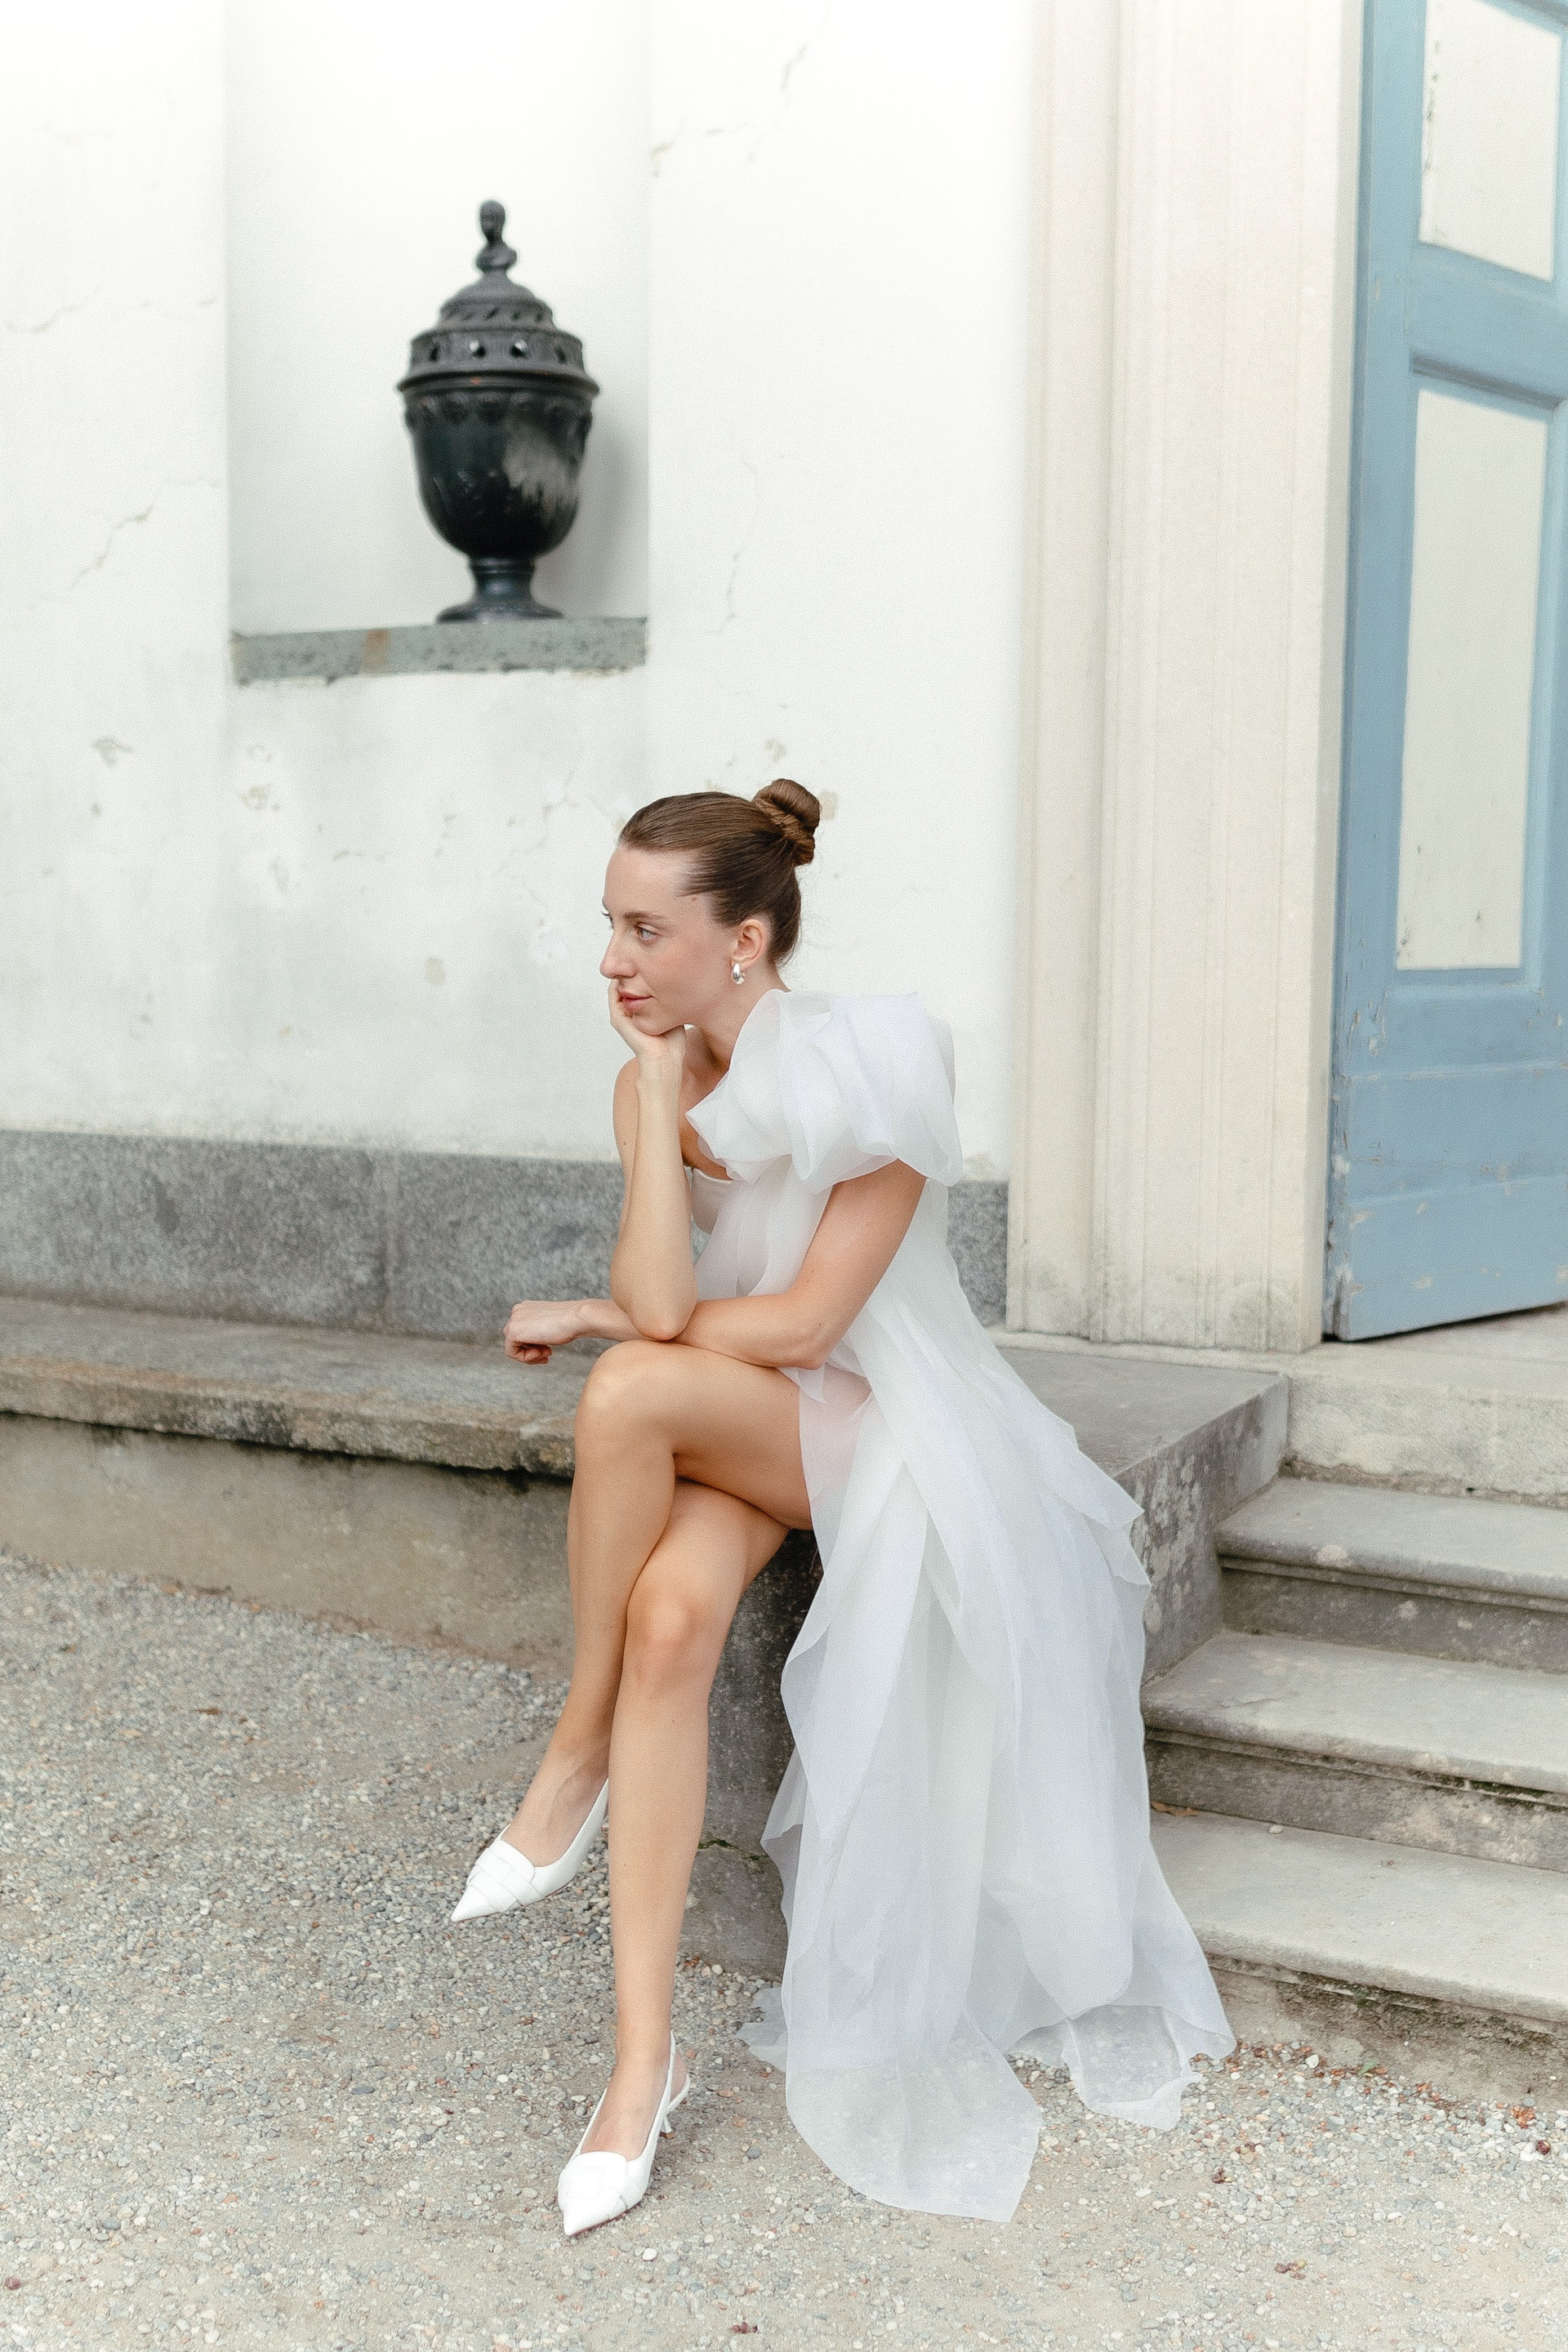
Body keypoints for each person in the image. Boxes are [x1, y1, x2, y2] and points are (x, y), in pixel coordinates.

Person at [452, 780, 1233, 2233]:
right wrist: (651, 1102)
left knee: (626, 1390)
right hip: (748, 1422)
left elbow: (808, 1323)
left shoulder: (877, 1058)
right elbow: (667, 1295)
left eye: (646, 931)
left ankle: (574, 1748)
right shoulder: (649, 1083)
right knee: (671, 1620)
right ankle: (641, 2069)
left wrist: (608, 1324)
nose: (614, 961)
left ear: (743, 940)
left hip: (888, 1432)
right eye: (608, 925)